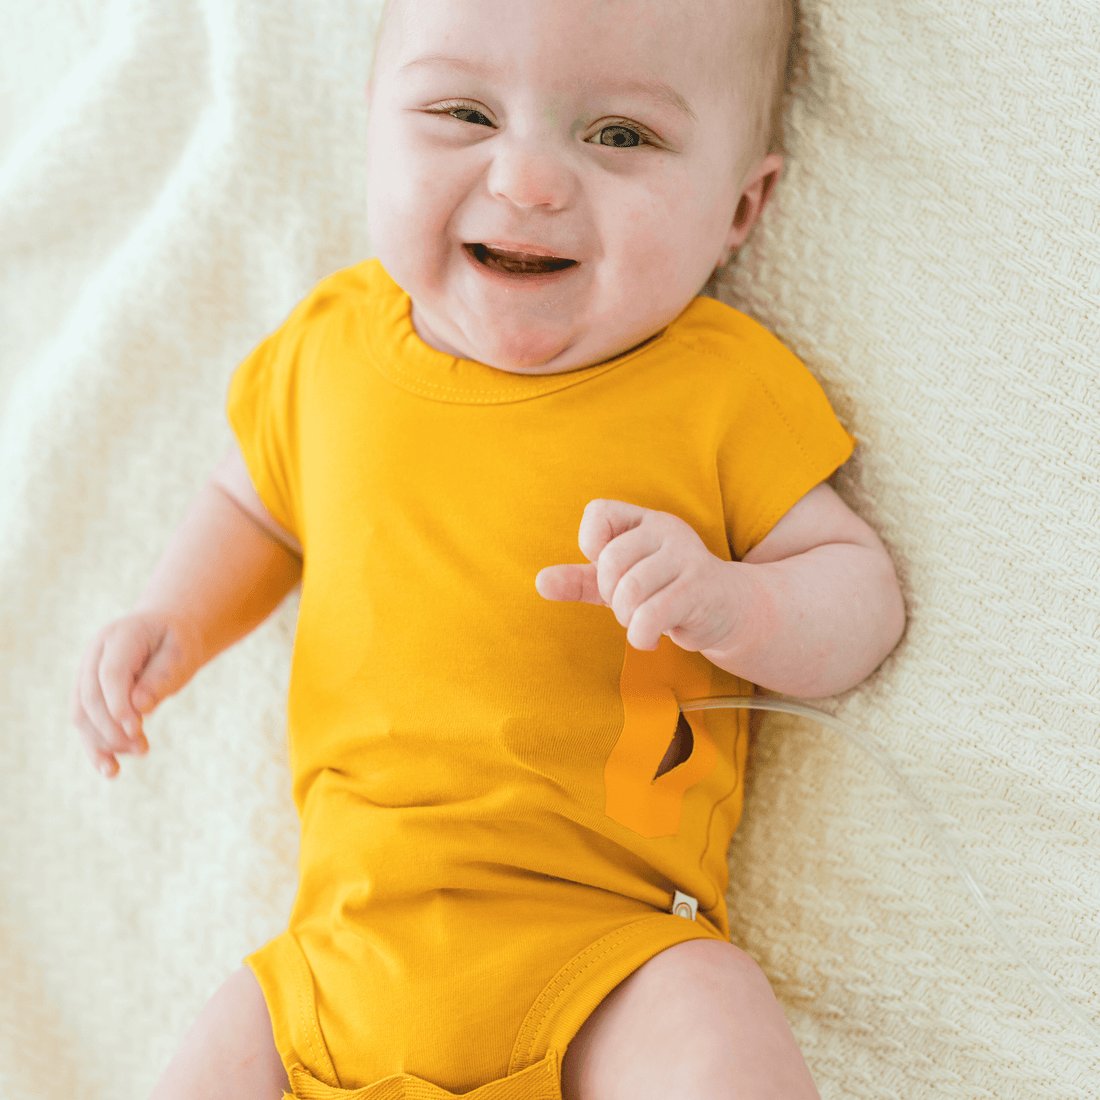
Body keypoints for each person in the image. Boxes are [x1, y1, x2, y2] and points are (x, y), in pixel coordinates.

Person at [71, 0, 906, 1095]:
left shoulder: (719, 385)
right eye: (464, 113)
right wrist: (171, 619)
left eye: (619, 136)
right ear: (372, 125)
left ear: (740, 206)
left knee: (713, 1024)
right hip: (329, 969)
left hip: (608, 952)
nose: (528, 182)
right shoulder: (326, 348)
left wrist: (732, 606)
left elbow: (860, 597)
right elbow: (255, 504)